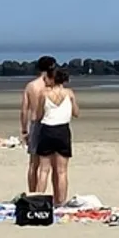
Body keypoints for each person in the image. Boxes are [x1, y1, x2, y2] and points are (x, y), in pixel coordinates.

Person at [34, 68, 79, 206]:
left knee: (44, 170)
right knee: (62, 171)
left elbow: (39, 115)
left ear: (53, 79)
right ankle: (61, 202)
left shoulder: (44, 94)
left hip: (47, 130)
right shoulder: (69, 93)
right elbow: (76, 113)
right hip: (62, 131)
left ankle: (38, 200)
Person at [22, 55, 57, 193]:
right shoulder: (53, 85)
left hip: (36, 123)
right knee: (53, 165)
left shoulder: (31, 86)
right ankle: (56, 197)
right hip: (52, 123)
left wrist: (24, 129)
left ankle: (32, 193)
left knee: (33, 164)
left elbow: (24, 110)